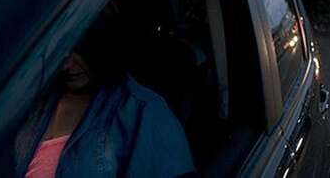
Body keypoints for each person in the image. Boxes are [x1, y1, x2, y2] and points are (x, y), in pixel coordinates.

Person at [12, 19, 195, 178]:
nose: (67, 64)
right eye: (61, 51)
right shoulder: (35, 106)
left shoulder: (142, 110)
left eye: (77, 48)